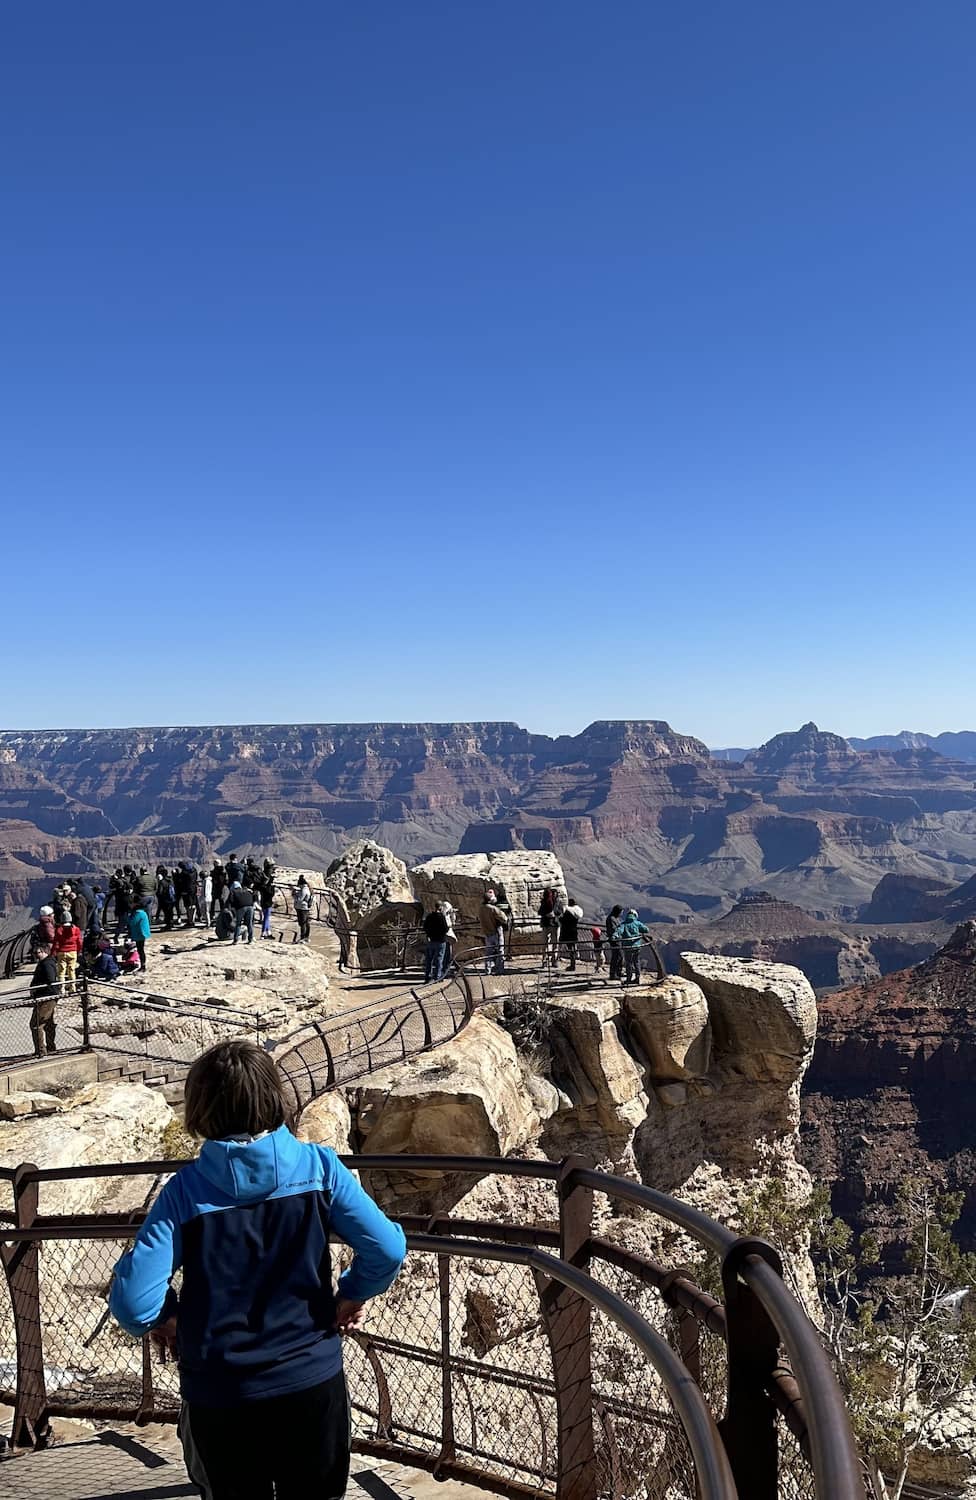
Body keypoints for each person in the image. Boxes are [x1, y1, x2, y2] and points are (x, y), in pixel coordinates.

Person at [109, 1039, 406, 1500]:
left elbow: (133, 1301)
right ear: (274, 1097)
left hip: (220, 1393)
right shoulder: (319, 1169)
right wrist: (351, 1295)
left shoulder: (184, 1192)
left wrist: (169, 1319)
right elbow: (386, 1249)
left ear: (201, 1107)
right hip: (311, 1382)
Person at [29, 943, 59, 1056]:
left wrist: (36, 988)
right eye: (34, 953)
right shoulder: (46, 962)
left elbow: (50, 980)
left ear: (44, 952)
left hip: (46, 997)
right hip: (47, 996)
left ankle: (41, 1050)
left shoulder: (46, 964)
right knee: (48, 1024)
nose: (36, 955)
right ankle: (51, 1047)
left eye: (38, 952)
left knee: (36, 1024)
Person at [52, 913, 83, 995]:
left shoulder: (59, 930)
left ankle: (62, 989)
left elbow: (56, 943)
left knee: (61, 972)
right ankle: (73, 988)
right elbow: (79, 942)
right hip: (72, 952)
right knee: (72, 970)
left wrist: (53, 953)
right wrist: (79, 951)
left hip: (61, 952)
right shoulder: (76, 929)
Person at [616, 908, 649, 985]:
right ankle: (637, 978)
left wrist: (614, 936)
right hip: (637, 947)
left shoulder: (624, 924)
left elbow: (619, 931)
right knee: (636, 962)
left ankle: (629, 979)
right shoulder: (637, 923)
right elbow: (646, 930)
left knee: (628, 963)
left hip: (628, 947)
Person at [479, 892, 507, 975]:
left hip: (487, 933)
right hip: (496, 932)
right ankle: (499, 970)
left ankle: (488, 970)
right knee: (500, 951)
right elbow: (504, 919)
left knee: (488, 953)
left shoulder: (481, 908)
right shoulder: (493, 909)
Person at [422, 904, 449, 982]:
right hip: (440, 941)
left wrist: (429, 934)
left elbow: (425, 927)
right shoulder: (441, 917)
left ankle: (427, 976)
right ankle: (437, 976)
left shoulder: (429, 916)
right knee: (439, 959)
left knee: (429, 960)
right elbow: (445, 929)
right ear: (441, 908)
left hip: (431, 940)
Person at [557, 896, 583, 971]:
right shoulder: (576, 914)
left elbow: (562, 921)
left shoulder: (568, 913)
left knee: (568, 948)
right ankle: (573, 963)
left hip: (566, 932)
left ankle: (570, 965)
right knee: (573, 948)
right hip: (574, 932)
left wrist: (559, 918)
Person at [126, 902, 151, 972]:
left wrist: (129, 917)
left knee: (140, 950)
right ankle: (142, 965)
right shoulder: (143, 913)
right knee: (140, 950)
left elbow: (132, 922)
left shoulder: (138, 914)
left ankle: (143, 966)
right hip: (141, 934)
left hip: (139, 934)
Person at [538, 887, 559, 964]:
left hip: (555, 924)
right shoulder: (544, 902)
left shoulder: (558, 903)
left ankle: (554, 960)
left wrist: (555, 914)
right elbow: (540, 912)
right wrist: (546, 914)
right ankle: (544, 960)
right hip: (546, 924)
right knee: (544, 943)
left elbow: (561, 912)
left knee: (555, 943)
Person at [606, 905, 624, 981]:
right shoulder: (611, 919)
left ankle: (618, 971)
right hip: (614, 940)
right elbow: (613, 930)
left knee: (620, 956)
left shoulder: (615, 918)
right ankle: (613, 974)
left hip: (618, 940)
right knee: (616, 957)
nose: (621, 914)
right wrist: (620, 929)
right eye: (621, 912)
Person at [294, 876, 312, 943]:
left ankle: (303, 938)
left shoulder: (304, 890)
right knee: (306, 923)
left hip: (302, 908)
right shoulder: (306, 889)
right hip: (305, 908)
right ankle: (306, 937)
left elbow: (299, 899)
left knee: (303, 923)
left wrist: (294, 894)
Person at [258, 868, 275, 938]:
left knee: (266, 917)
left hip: (263, 903)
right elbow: (271, 894)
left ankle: (268, 932)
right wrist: (272, 887)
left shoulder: (261, 886)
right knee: (266, 918)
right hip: (268, 903)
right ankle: (263, 932)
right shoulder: (268, 888)